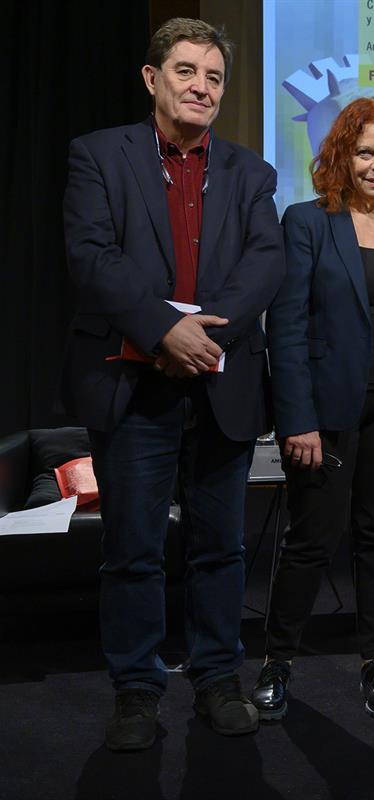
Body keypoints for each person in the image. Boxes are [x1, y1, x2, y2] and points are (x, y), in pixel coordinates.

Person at [61, 18, 285, 751]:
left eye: (214, 77)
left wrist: (203, 339)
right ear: (153, 79)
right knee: (134, 548)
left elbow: (264, 263)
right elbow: (93, 258)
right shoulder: (99, 155)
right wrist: (164, 330)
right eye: (187, 71)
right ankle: (136, 691)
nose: (202, 87)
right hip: (134, 385)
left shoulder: (251, 172)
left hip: (221, 381)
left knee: (222, 548)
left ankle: (218, 678)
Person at [252, 98, 374, 721]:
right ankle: (278, 661)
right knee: (311, 540)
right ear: (342, 156)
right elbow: (286, 329)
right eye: (366, 152)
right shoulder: (308, 222)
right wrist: (297, 419)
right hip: (326, 416)